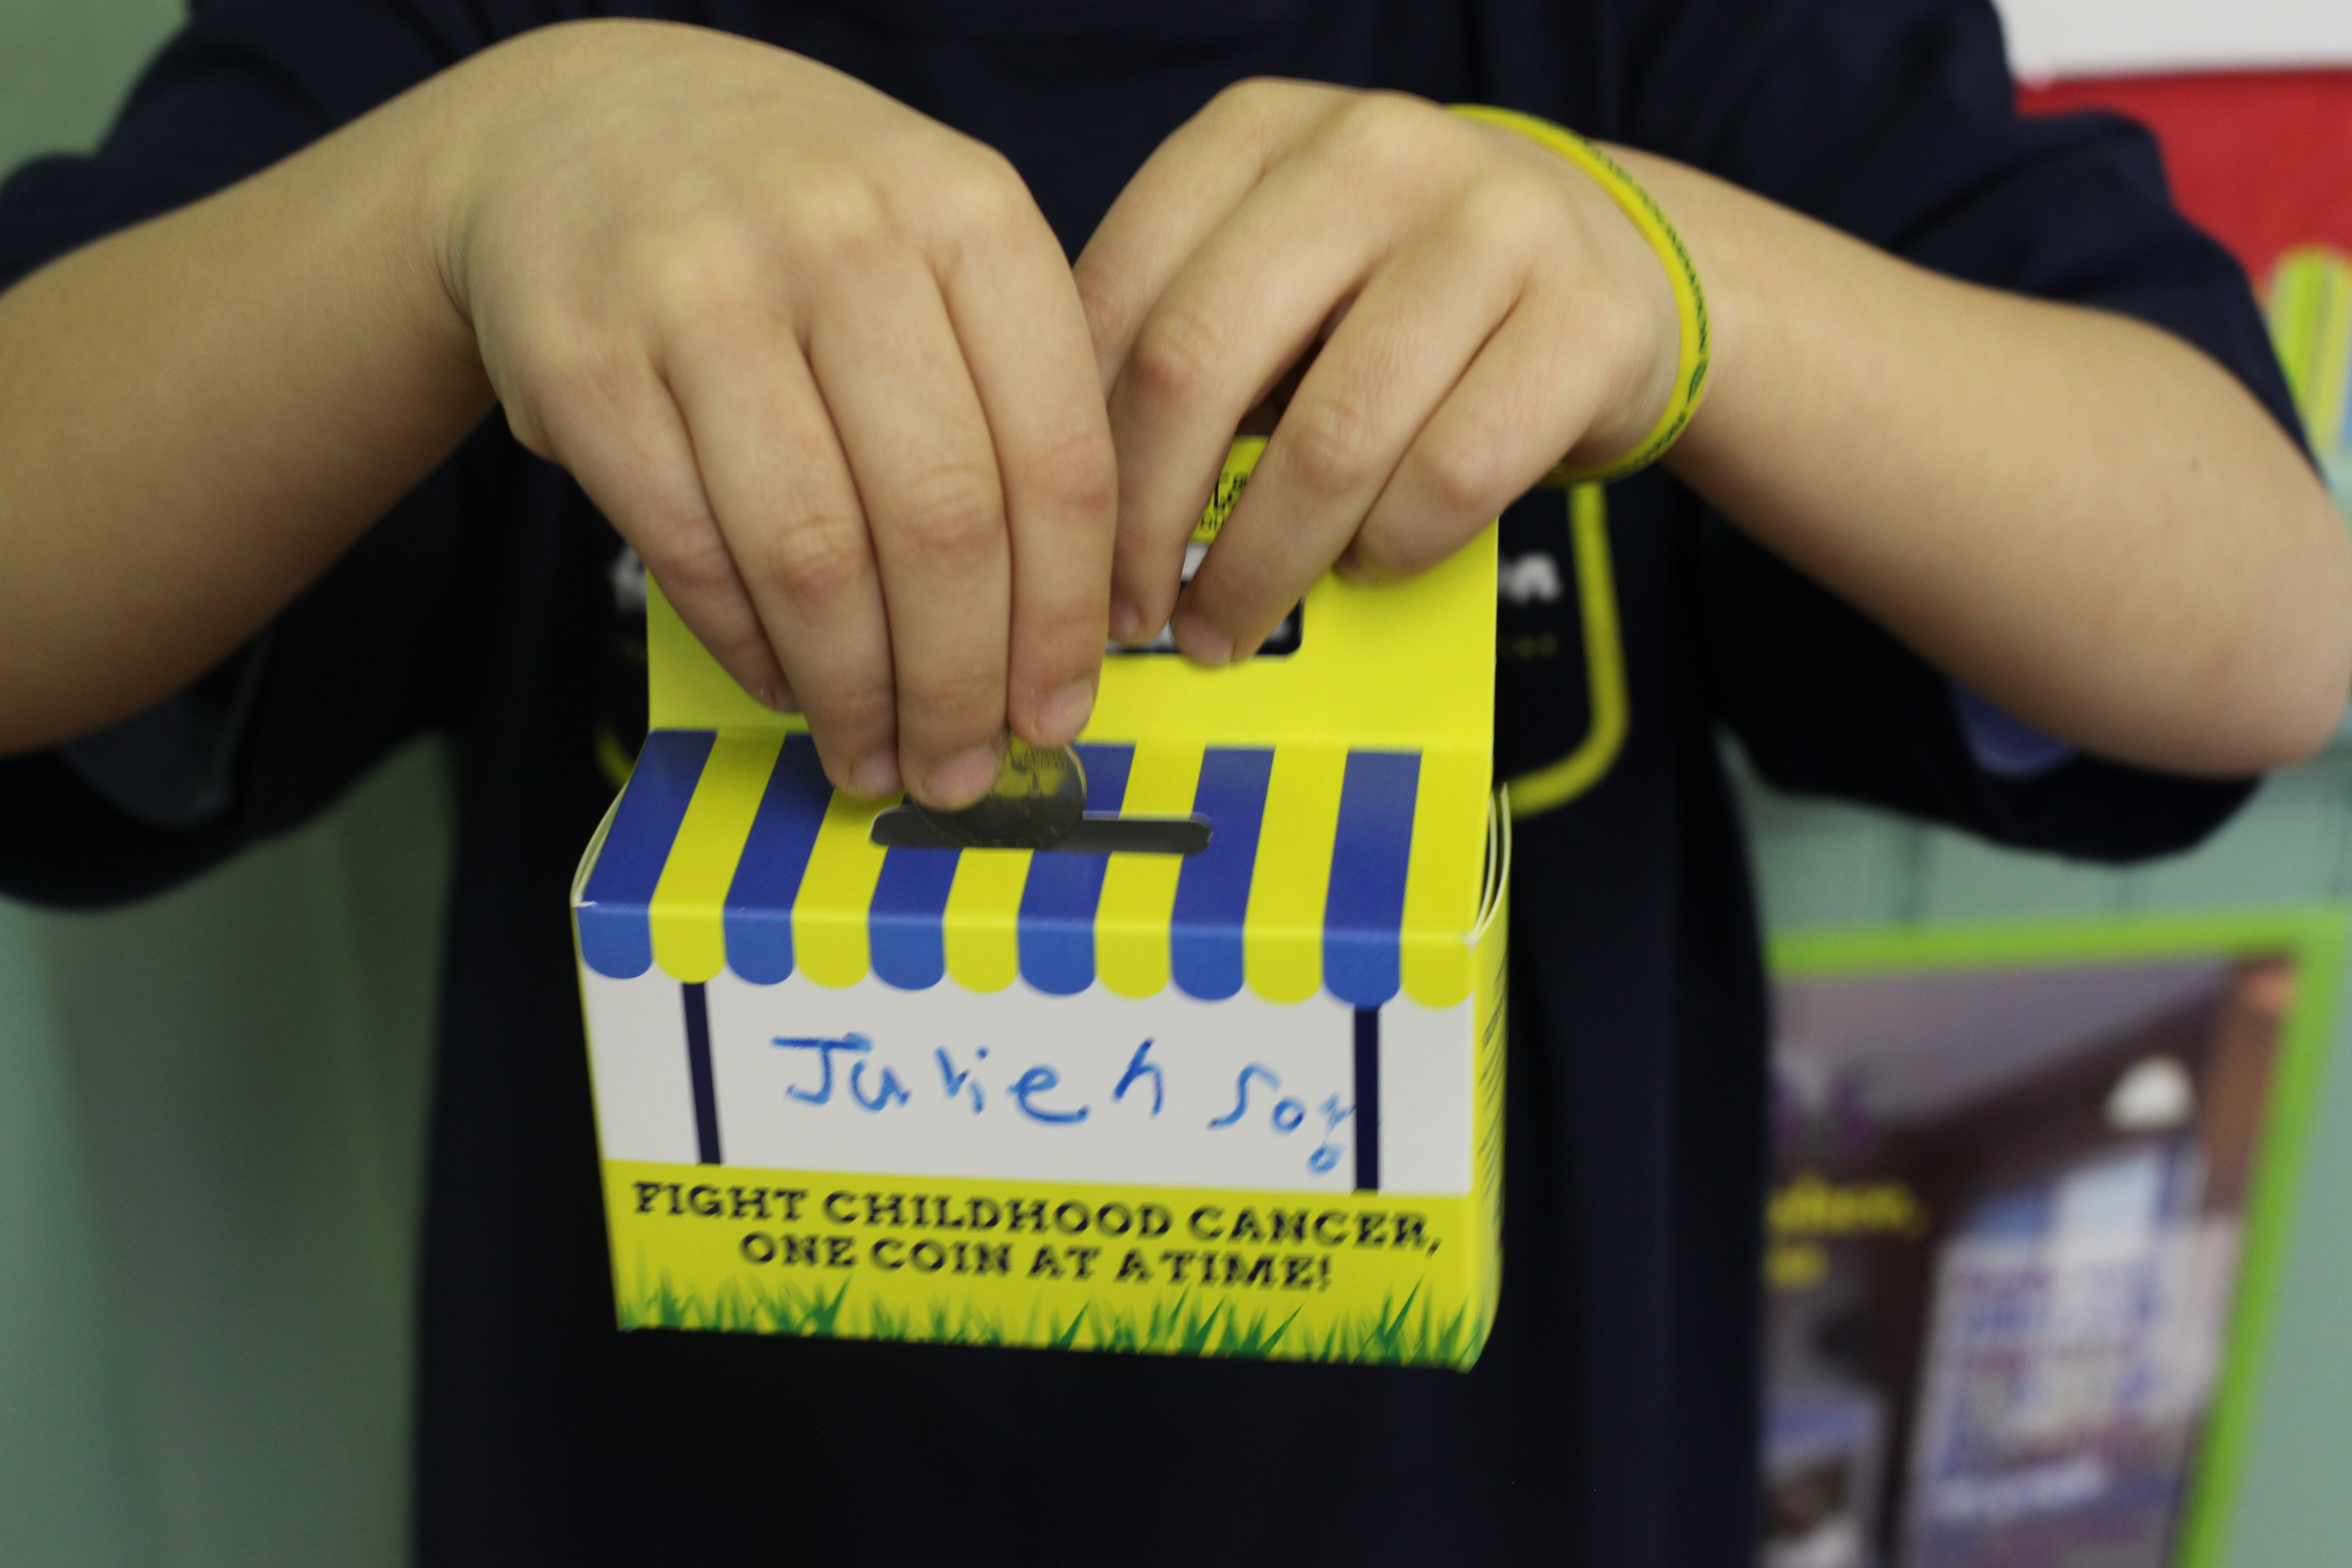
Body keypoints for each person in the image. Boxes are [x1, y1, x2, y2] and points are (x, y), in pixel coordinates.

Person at [0, 1, 2344, 1563]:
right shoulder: (467, 35)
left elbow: (2261, 613)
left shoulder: (1685, 35)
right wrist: (460, 187)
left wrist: (1673, 277)